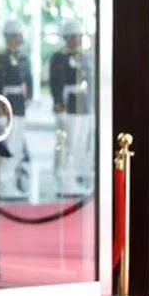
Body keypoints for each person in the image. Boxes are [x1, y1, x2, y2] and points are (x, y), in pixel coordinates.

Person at [49, 19, 94, 196]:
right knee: (68, 144)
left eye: (79, 36)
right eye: (74, 37)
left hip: (83, 107)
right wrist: (58, 103)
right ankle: (64, 179)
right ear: (66, 38)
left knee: (80, 145)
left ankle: (73, 178)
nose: (77, 40)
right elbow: (56, 82)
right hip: (68, 107)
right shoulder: (59, 57)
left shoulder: (84, 57)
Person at [0, 19, 33, 199]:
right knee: (7, 146)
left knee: (17, 146)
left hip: (19, 106)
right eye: (13, 36)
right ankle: (2, 183)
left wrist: (29, 99)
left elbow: (29, 81)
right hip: (5, 106)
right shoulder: (1, 58)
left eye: (19, 36)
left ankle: (10, 181)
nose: (17, 39)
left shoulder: (24, 58)